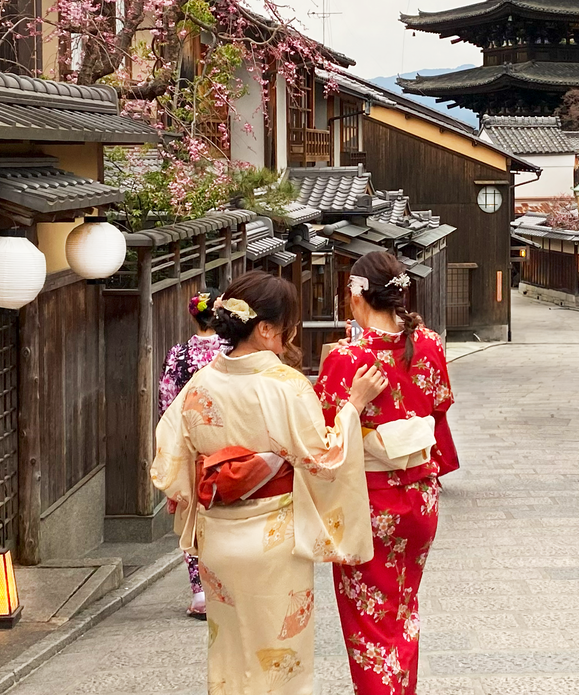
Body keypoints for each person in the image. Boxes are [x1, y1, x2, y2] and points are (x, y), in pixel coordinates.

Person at [151, 270, 386, 694]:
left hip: (219, 540)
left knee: (230, 654)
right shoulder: (286, 386)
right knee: (281, 660)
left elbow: (170, 457)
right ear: (264, 329)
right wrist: (352, 406)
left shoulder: (200, 384)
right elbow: (326, 460)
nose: (287, 338)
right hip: (272, 540)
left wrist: (211, 483)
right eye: (285, 329)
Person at [315, 250, 458, 695]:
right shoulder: (429, 344)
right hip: (420, 500)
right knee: (402, 609)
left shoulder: (345, 357)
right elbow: (436, 410)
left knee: (369, 622)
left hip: (371, 503)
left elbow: (326, 436)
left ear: (357, 297)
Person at [158, 290, 228, 618]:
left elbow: (167, 398)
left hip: (191, 443)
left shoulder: (180, 353)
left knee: (192, 515)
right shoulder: (231, 350)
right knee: (226, 511)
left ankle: (199, 592)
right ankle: (225, 586)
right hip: (229, 441)